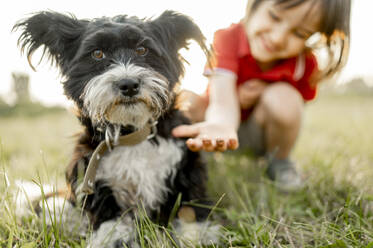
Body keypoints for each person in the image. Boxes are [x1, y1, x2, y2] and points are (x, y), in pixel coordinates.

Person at [172, 0, 351, 191]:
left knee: (284, 97)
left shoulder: (303, 63)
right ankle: (187, 156)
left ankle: (279, 163)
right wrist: (221, 125)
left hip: (259, 137)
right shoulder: (227, 39)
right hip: (214, 127)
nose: (277, 38)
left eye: (300, 33)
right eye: (274, 16)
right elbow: (221, 98)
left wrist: (267, 91)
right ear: (256, 4)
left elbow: (292, 114)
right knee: (185, 100)